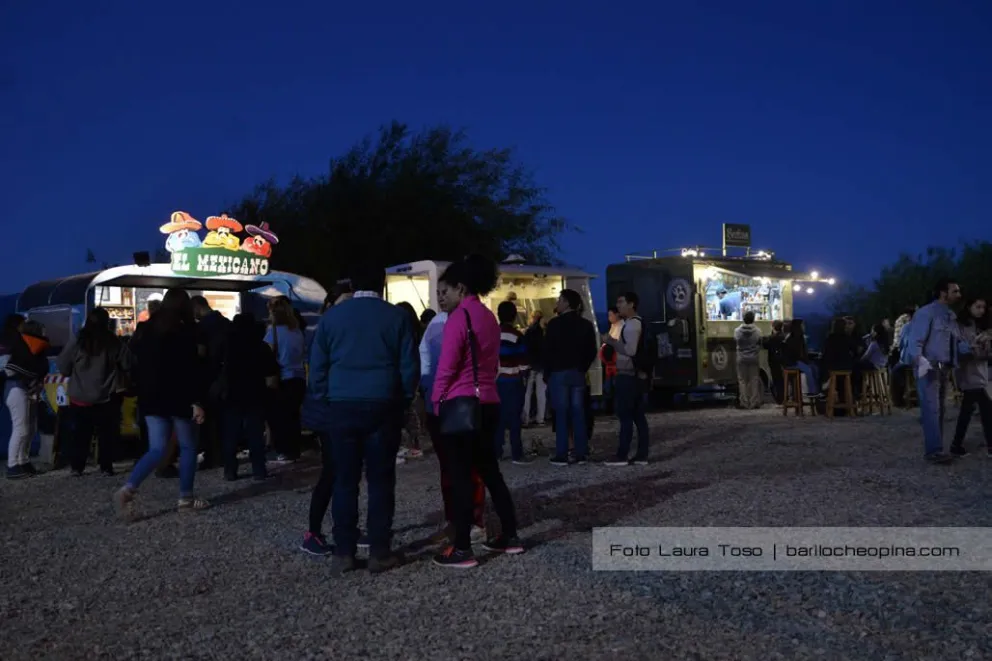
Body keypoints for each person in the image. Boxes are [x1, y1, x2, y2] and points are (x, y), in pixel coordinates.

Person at [308, 263, 418, 574]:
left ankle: (344, 551)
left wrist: (323, 398)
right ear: (383, 284)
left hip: (341, 405)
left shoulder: (333, 318)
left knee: (345, 479)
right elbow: (408, 366)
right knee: (381, 480)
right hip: (383, 404)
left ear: (352, 285)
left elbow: (317, 366)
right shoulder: (396, 316)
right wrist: (405, 399)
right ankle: (379, 551)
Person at [431, 255, 523, 568]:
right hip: (490, 401)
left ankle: (461, 549)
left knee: (459, 477)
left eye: (448, 290)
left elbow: (447, 366)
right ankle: (510, 536)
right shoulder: (487, 316)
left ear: (461, 287)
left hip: (461, 404)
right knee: (490, 473)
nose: (444, 296)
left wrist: (436, 400)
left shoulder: (460, 317)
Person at [114, 289, 209, 516]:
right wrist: (196, 401)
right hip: (179, 398)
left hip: (151, 397)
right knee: (187, 447)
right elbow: (190, 370)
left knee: (156, 449)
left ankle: (128, 490)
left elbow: (134, 361)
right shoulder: (186, 331)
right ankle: (185, 498)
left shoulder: (145, 329)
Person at [419, 307, 487, 544]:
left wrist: (430, 393)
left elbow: (425, 364)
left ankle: (463, 521)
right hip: (462, 404)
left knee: (454, 468)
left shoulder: (438, 324)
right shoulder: (477, 318)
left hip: (444, 405)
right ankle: (466, 520)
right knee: (465, 467)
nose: (442, 296)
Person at [57, 307, 131, 476]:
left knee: (81, 434)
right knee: (107, 434)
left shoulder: (78, 341)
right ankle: (106, 466)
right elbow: (127, 363)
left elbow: (63, 365)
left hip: (80, 397)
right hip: (107, 396)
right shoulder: (113, 341)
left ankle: (77, 467)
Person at [905, 278, 963, 464]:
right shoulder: (925, 313)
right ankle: (934, 451)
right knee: (931, 409)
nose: (959, 295)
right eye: (955, 291)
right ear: (943, 292)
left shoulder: (950, 315)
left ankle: (936, 448)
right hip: (929, 367)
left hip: (944, 367)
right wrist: (920, 361)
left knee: (939, 409)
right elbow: (916, 340)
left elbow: (956, 342)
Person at [220, 313, 279, 481]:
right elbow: (271, 377)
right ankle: (259, 469)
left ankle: (230, 470)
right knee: (255, 434)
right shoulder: (261, 347)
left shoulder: (227, 346)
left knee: (230, 435)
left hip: (231, 395)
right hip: (255, 394)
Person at [544, 290, 598, 466]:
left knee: (561, 414)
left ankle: (562, 453)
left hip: (558, 373)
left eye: (560, 300)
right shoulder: (586, 325)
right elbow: (592, 350)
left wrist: (548, 373)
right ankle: (580, 452)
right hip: (578, 372)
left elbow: (547, 351)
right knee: (578, 412)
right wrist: (582, 367)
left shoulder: (554, 325)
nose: (557, 303)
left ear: (567, 303)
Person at [604, 292, 650, 466]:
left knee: (625, 416)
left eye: (621, 302)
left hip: (628, 375)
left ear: (632, 304)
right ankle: (641, 455)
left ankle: (622, 455)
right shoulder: (638, 323)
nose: (619, 305)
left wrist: (612, 341)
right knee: (638, 416)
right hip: (637, 375)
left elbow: (630, 350)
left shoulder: (631, 326)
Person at [4, 316, 49, 479]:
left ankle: (22, 461)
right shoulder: (25, 351)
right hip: (17, 390)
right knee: (21, 428)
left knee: (29, 428)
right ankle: (12, 465)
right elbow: (14, 370)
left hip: (20, 390)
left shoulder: (27, 349)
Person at [190, 295, 231, 470]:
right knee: (225, 419)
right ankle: (224, 454)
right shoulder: (226, 323)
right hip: (227, 376)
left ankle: (212, 455)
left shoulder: (201, 328)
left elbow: (200, 354)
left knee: (209, 420)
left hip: (208, 378)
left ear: (197, 308)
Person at [265, 296, 306, 463]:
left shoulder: (272, 332)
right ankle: (294, 450)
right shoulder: (297, 331)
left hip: (282, 379)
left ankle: (282, 451)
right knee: (293, 417)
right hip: (299, 378)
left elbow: (267, 357)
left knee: (279, 418)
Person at [950, 298, 991, 457]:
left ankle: (957, 445)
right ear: (969, 307)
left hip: (979, 373)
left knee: (973, 411)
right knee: (980, 410)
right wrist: (975, 347)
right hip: (969, 373)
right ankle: (957, 445)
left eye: (983, 307)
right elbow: (959, 350)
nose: (981, 310)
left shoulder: (981, 326)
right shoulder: (961, 326)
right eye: (978, 307)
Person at [494, 301, 530, 463]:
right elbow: (523, 363)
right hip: (514, 381)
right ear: (514, 315)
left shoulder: (491, 334)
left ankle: (497, 451)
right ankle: (517, 453)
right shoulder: (517, 336)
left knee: (497, 418)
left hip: (496, 382)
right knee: (515, 417)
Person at [395, 301, 425, 460]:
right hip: (415, 377)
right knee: (411, 412)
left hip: (406, 378)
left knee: (408, 413)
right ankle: (414, 444)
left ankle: (411, 445)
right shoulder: (417, 331)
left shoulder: (404, 333)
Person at [521, 311, 547, 426]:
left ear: (533, 318)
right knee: (541, 393)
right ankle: (540, 418)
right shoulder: (544, 332)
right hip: (541, 365)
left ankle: (526, 418)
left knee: (527, 392)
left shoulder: (529, 332)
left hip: (530, 365)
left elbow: (525, 348)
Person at [783, 318, 820, 396]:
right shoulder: (793, 339)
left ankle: (817, 390)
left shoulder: (799, 337)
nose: (804, 326)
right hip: (792, 362)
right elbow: (797, 354)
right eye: (802, 325)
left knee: (815, 368)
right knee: (808, 369)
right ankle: (812, 391)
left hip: (797, 360)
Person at [734, 310, 763, 409]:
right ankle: (754, 402)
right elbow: (759, 343)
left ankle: (744, 402)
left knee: (742, 381)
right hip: (754, 358)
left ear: (743, 319)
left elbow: (736, 342)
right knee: (754, 380)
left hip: (741, 358)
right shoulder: (758, 331)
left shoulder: (737, 331)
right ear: (753, 319)